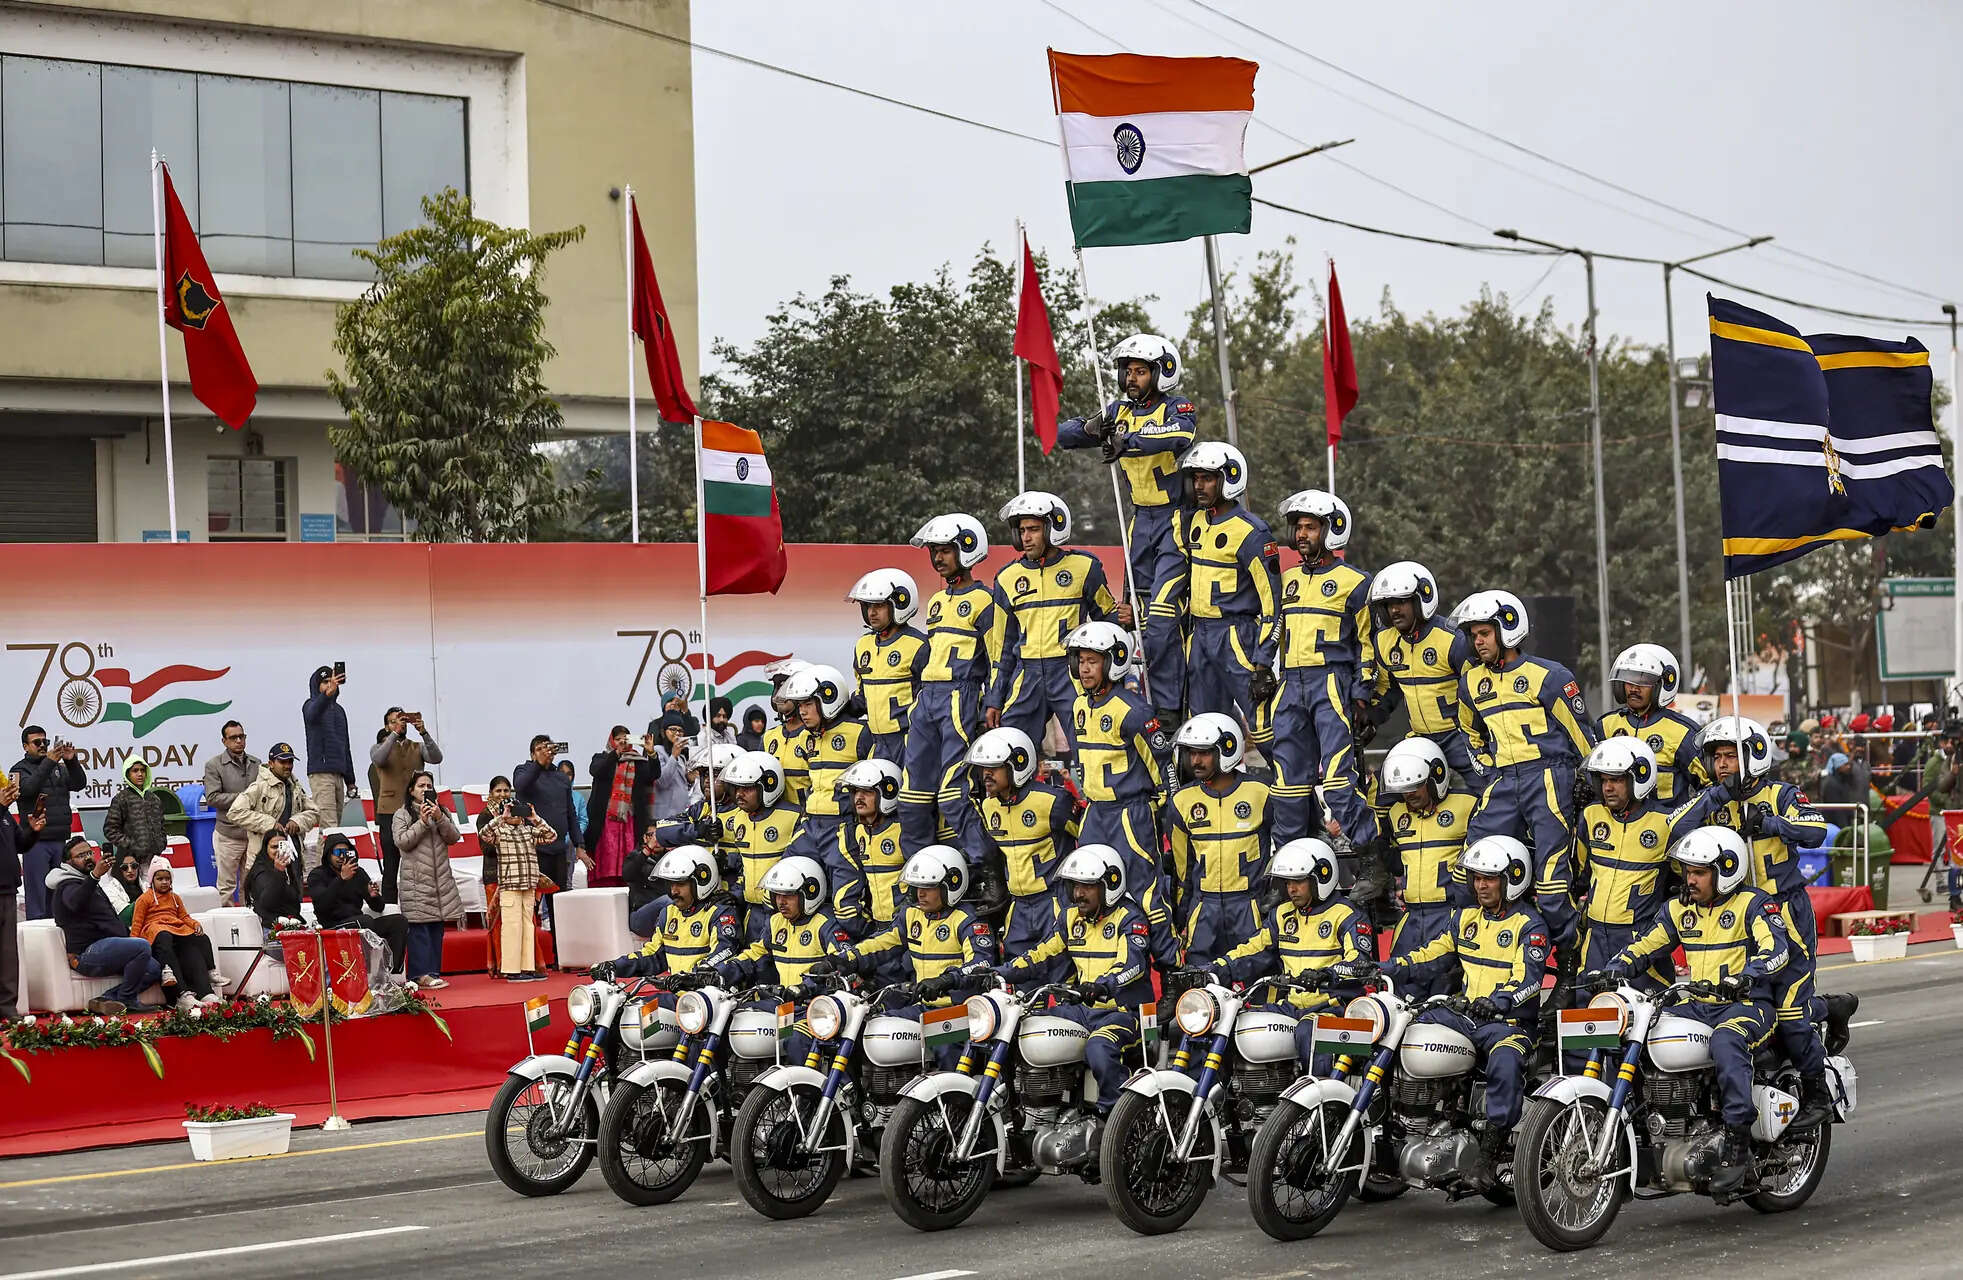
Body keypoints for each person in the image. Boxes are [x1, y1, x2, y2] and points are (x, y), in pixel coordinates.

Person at [1598, 827, 1795, 1195]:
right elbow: (1647, 944)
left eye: (1699, 872)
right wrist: (1614, 968)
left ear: (1727, 870)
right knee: (1639, 1035)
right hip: (1695, 1005)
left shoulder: (1753, 904)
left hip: (1746, 1005)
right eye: (1688, 871)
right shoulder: (1678, 910)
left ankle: (1737, 1144)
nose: (1690, 879)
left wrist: (1746, 977)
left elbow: (1777, 950)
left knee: (1726, 1041)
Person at [1674, 717, 1839, 1128]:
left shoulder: (1781, 793)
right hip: (1734, 923)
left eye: (1731, 756)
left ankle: (1819, 1092)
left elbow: (1816, 830)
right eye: (1717, 758)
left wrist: (1769, 824)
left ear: (1754, 755)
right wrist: (1714, 797)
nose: (1724, 764)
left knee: (1790, 1014)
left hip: (1785, 914)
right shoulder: (1712, 800)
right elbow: (1674, 831)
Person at [1375, 834, 1550, 1189]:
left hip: (1508, 1023)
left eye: (1490, 878)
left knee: (1505, 1059)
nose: (1481, 885)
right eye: (1476, 878)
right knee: (1404, 1029)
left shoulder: (1530, 926)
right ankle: (1398, 1121)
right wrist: (1387, 968)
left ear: (1512, 879)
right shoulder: (1464, 918)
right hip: (1463, 1015)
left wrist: (1501, 1002)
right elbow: (1432, 955)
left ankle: (1489, 1154)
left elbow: (1529, 980)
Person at [1056, 333, 1197, 718]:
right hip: (1139, 522)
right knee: (1131, 613)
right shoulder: (1118, 410)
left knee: (1163, 615)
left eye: (1140, 371)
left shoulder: (1175, 406)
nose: (1132, 378)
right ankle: (1128, 699)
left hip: (1174, 521)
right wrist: (1093, 430)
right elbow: (1064, 436)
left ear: (1161, 372)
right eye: (1127, 371)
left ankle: (1169, 712)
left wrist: (1128, 440)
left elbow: (1180, 434)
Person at [1454, 590, 1599, 950]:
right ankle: (1484, 954)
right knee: (1465, 875)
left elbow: (1583, 735)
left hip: (1549, 778)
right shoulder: (1471, 682)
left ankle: (1568, 964)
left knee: (1551, 888)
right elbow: (1469, 732)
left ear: (1507, 628)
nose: (1478, 641)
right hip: (1503, 781)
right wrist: (1487, 770)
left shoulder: (1548, 675)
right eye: (1473, 635)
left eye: (1484, 633)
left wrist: (1586, 778)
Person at [993, 844, 1155, 1137]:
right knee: (1023, 1028)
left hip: (1125, 1014)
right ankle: (1018, 1109)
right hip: (1081, 1010)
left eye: (1087, 886)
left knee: (1100, 1047)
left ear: (1110, 885)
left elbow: (1133, 966)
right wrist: (998, 972)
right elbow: (1042, 954)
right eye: (1075, 885)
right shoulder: (1070, 918)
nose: (1078, 893)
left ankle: (1114, 1125)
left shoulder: (1131, 919)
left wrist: (1103, 985)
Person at [1260, 489, 1377, 851]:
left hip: (1331, 683)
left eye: (1310, 527)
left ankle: (1371, 858)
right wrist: (1262, 664)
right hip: (1290, 685)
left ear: (1331, 530)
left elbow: (1369, 643)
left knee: (1340, 782)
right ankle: (1291, 863)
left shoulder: (1357, 582)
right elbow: (1277, 625)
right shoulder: (1290, 578)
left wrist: (1362, 695)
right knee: (1287, 784)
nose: (1301, 535)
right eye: (1297, 527)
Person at [901, 513, 1020, 854]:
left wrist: (993, 701)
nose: (938, 558)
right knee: (913, 796)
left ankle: (986, 866)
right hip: (926, 700)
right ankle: (922, 871)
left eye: (946, 551)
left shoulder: (986, 599)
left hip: (960, 696)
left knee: (954, 793)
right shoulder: (937, 601)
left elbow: (999, 657)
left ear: (967, 549)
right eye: (934, 551)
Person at [1205, 837, 1373, 1070]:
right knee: (1234, 1022)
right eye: (1287, 882)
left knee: (1309, 1031)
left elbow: (1359, 962)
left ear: (1320, 878)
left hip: (1338, 1010)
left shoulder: (1347, 914)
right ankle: (1231, 1099)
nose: (1291, 889)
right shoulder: (1281, 915)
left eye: (1299, 881)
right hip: (1291, 1006)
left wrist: (1326, 975)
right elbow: (1252, 949)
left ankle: (1323, 1099)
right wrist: (1215, 968)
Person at [835, 845, 999, 1068]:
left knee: (944, 1044)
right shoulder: (912, 914)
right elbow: (883, 942)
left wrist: (946, 980)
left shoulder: (969, 921)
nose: (920, 894)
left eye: (929, 887)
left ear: (951, 885)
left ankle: (956, 1098)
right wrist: (846, 959)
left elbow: (982, 963)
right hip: (923, 1007)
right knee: (875, 1029)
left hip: (961, 1011)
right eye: (917, 887)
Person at [993, 492, 1124, 755]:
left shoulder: (1085, 567)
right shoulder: (1007, 578)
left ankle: (1094, 796)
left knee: (1090, 745)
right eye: (1021, 531)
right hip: (1025, 675)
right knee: (1009, 749)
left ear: (1054, 528)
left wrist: (1126, 619)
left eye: (1033, 529)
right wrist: (995, 699)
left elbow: (1109, 623)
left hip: (1071, 672)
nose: (1026, 537)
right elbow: (1002, 648)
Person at [592, 847, 746, 1052]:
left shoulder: (721, 913)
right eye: (671, 884)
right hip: (676, 997)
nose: (673, 891)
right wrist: (613, 965)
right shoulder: (668, 913)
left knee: (692, 1051)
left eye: (681, 884)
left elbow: (724, 952)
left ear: (701, 881)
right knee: (620, 1018)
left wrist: (694, 976)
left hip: (707, 1002)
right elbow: (652, 954)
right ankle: (617, 1075)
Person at [1173, 442, 1280, 727]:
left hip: (1236, 636)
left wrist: (1263, 661)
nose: (1199, 485)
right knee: (1203, 726)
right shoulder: (1191, 521)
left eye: (1207, 478)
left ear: (1229, 478)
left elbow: (1273, 602)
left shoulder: (1252, 532)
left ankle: (1286, 772)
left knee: (1263, 723)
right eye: (1196, 478)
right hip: (1200, 635)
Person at [1066, 620, 1171, 909]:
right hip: (1095, 814)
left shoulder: (1134, 710)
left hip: (1130, 814)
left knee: (1144, 891)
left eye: (1093, 661)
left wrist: (1160, 807)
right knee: (1091, 888)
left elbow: (1162, 764)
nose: (1085, 669)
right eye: (1081, 661)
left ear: (1114, 662)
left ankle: (1165, 955)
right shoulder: (1078, 707)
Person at [709, 855, 851, 1065]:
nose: (781, 902)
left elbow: (840, 963)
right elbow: (754, 954)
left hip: (816, 1008)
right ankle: (730, 1087)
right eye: (777, 895)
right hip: (784, 1004)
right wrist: (719, 972)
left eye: (789, 896)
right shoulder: (776, 922)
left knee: (795, 1039)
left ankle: (807, 1093)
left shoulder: (826, 924)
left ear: (809, 893)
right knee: (729, 1021)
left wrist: (807, 987)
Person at [968, 726, 1078, 972]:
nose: (986, 775)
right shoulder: (988, 807)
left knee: (1060, 973)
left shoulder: (1052, 801)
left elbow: (1087, 838)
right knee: (1018, 975)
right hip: (1017, 906)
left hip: (1053, 901)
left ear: (1018, 765)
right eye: (983, 769)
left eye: (994, 768)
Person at [1167, 712, 1272, 963]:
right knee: (1199, 985)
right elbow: (1183, 871)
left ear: (1227, 749)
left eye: (1203, 753)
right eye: (1191, 753)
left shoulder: (1262, 792)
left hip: (1250, 906)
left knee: (1256, 976)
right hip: (1204, 908)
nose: (1195, 761)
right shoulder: (1181, 801)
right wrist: (1181, 916)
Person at [1375, 737, 1475, 999]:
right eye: (1404, 788)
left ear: (1435, 777)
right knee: (1394, 989)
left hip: (1451, 915)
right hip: (1410, 919)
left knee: (1443, 992)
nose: (1409, 794)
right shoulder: (1395, 813)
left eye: (1415, 786)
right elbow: (1391, 860)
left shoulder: (1467, 804)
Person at [1369, 560, 1479, 780]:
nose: (1394, 610)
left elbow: (1478, 692)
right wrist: (1370, 717)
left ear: (1421, 600)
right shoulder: (1383, 641)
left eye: (1401, 602)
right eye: (1389, 603)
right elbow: (1387, 690)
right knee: (1384, 793)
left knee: (1489, 791)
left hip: (1460, 737)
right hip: (1418, 739)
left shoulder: (1452, 639)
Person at [48, 836, 161, 1015]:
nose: (87, 858)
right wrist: (94, 876)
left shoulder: (88, 882)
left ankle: (106, 999)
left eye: (89, 853)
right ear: (68, 862)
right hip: (85, 954)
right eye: (80, 856)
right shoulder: (67, 884)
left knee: (154, 968)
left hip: (107, 947)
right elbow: (75, 902)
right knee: (141, 946)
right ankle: (127, 1000)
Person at [714, 749, 806, 933]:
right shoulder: (740, 819)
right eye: (736, 788)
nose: (739, 794)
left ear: (768, 786)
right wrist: (736, 893)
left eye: (747, 788)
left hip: (782, 910)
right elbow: (746, 869)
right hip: (752, 910)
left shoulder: (794, 815)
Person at [1598, 644, 1703, 804]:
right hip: (1616, 827)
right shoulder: (1605, 726)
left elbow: (1709, 787)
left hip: (1666, 827)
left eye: (1644, 681)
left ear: (1664, 684)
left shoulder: (1683, 732)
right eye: (1628, 680)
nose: (1634, 688)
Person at [784, 664, 871, 854]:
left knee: (847, 882)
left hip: (842, 827)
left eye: (808, 704)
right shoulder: (804, 737)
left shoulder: (859, 733)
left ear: (830, 698)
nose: (802, 712)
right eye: (800, 706)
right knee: (786, 876)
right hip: (810, 825)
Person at [819, 758, 909, 941]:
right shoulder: (853, 833)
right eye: (855, 792)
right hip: (878, 928)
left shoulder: (905, 830)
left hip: (908, 926)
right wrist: (870, 930)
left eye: (867, 792)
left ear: (888, 792)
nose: (858, 798)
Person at [847, 568, 930, 764]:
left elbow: (930, 698)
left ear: (899, 603)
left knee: (912, 794)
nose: (872, 612)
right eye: (868, 606)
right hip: (877, 742)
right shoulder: (862, 645)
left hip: (910, 740)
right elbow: (861, 696)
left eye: (879, 606)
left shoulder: (919, 645)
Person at [225, 743, 321, 903]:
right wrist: (268, 823)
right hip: (263, 857)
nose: (287, 766)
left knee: (294, 900)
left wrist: (297, 821)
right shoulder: (259, 787)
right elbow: (234, 812)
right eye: (282, 762)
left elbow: (315, 812)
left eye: (290, 761)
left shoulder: (295, 786)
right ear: (271, 764)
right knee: (265, 901)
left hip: (292, 853)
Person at [393, 770, 462, 989]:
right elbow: (402, 841)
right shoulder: (402, 814)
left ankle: (433, 972)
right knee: (419, 929)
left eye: (429, 786)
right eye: (421, 786)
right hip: (416, 881)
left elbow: (454, 837)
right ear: (411, 790)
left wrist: (439, 818)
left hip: (439, 879)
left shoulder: (442, 812)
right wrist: (422, 823)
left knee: (435, 928)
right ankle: (419, 975)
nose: (425, 790)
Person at [308, 832, 408, 977]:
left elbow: (378, 907)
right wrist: (341, 879)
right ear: (329, 854)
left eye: (346, 852)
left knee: (398, 921)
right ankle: (363, 973)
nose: (342, 856)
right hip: (332, 926)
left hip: (360, 924)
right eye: (337, 852)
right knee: (364, 921)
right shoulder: (317, 875)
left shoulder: (358, 872)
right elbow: (322, 904)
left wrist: (374, 896)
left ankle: (391, 972)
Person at [481, 794, 557, 982]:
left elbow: (552, 836)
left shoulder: (529, 830)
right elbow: (483, 834)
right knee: (511, 927)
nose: (515, 814)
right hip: (510, 885)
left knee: (528, 926)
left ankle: (527, 967)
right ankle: (512, 970)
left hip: (529, 884)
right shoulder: (500, 831)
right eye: (511, 810)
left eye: (517, 810)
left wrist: (534, 817)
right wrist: (502, 817)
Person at [371, 708, 444, 901]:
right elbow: (378, 759)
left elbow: (436, 758)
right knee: (391, 862)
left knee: (419, 859)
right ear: (386, 725)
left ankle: (419, 904)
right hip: (389, 810)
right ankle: (390, 907)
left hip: (415, 809)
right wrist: (394, 734)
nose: (400, 724)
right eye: (394, 721)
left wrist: (424, 732)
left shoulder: (417, 746)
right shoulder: (380, 747)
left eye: (402, 720)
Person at [14, 725, 86, 920]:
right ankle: (35, 943)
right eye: (37, 742)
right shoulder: (19, 769)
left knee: (58, 896)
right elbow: (27, 790)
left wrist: (71, 762)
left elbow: (79, 783)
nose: (42, 745)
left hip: (60, 840)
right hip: (35, 841)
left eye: (45, 742)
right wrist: (49, 762)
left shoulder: (58, 767)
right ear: (25, 746)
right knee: (38, 896)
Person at [131, 866, 222, 1009]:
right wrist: (134, 944)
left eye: (167, 879)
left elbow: (184, 916)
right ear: (152, 880)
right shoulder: (144, 899)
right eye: (160, 879)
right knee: (163, 935)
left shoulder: (175, 897)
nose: (164, 882)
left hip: (175, 929)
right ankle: (172, 979)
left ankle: (207, 986)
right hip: (156, 931)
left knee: (199, 938)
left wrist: (195, 924)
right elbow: (137, 923)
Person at [516, 733, 590, 906]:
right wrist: (538, 765)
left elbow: (571, 814)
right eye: (539, 749)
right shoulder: (523, 771)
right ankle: (530, 934)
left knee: (559, 900)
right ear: (532, 755)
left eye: (547, 748)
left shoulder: (561, 778)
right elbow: (520, 786)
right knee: (531, 902)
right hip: (533, 850)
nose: (544, 752)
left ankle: (559, 934)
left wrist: (580, 845)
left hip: (558, 850)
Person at [585, 727, 657, 888]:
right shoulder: (601, 758)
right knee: (605, 858)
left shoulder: (638, 761)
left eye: (625, 738)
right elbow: (597, 771)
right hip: (605, 820)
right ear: (612, 741)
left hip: (629, 820)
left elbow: (654, 775)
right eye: (618, 739)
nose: (622, 742)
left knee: (629, 857)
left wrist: (651, 753)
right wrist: (616, 753)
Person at [201, 721, 260, 905]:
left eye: (241, 736)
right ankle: (227, 927)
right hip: (228, 834)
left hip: (252, 834)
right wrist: (243, 798)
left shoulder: (256, 763)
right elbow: (212, 798)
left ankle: (250, 923)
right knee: (227, 886)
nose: (239, 741)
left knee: (250, 884)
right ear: (224, 741)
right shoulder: (214, 765)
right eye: (233, 738)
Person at [302, 665, 358, 837]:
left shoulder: (340, 711)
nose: (329, 685)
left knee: (337, 828)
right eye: (325, 682)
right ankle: (323, 864)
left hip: (339, 774)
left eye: (331, 682)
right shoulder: (310, 705)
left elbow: (345, 746)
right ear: (316, 685)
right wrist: (325, 697)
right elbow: (312, 715)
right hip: (321, 774)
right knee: (329, 828)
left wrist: (350, 780)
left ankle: (331, 863)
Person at [760, 660, 813, 810]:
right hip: (774, 823)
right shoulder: (769, 737)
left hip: (808, 823)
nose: (778, 694)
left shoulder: (815, 737)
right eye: (777, 687)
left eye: (785, 686)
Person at [1921, 724, 1963, 910]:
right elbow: (1941, 786)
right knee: (1957, 857)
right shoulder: (1951, 760)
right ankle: (1954, 896)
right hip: (1956, 812)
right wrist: (1953, 774)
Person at [102, 757, 168, 872]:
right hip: (129, 863)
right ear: (127, 774)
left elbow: (162, 826)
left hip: (154, 859)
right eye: (135, 770)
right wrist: (132, 846)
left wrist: (161, 844)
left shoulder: (154, 799)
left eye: (143, 770)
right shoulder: (121, 799)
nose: (140, 774)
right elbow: (110, 830)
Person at [242, 828, 304, 926]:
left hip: (292, 923)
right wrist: (279, 872)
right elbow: (267, 902)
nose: (279, 851)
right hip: (271, 927)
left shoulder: (289, 866)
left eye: (282, 846)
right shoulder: (260, 870)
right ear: (266, 848)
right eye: (274, 847)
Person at [649, 710, 698, 822]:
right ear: (663, 732)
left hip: (680, 815)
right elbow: (662, 782)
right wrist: (674, 755)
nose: (677, 733)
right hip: (664, 815)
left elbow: (680, 785)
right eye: (673, 729)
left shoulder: (682, 757)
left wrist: (689, 779)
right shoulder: (657, 751)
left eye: (680, 730)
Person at [560, 760, 589, 844]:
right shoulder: (550, 796)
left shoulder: (578, 798)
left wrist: (574, 836)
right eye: (562, 773)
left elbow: (583, 821)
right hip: (554, 842)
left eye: (569, 774)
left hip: (574, 843)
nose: (565, 777)